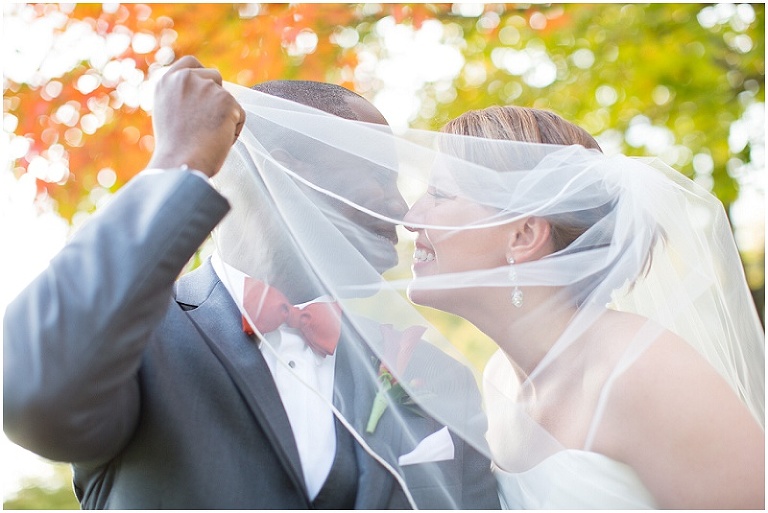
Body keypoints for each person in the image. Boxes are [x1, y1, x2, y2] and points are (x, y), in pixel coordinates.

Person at [3, 56, 500, 509]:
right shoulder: (133, 345)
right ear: (288, 174)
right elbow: (31, 392)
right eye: (380, 175)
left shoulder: (436, 376)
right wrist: (179, 162)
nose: (401, 208)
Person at [401, 106, 765, 508]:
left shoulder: (643, 371)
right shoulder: (499, 378)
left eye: (439, 194)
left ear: (523, 235)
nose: (410, 217)